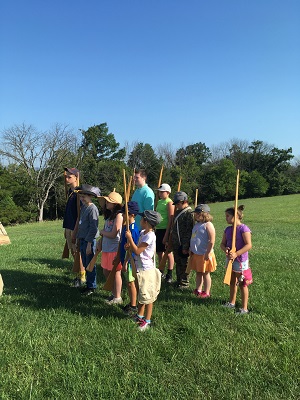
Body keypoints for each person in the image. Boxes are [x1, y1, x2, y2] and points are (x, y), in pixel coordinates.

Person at [125, 210, 162, 331]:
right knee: (141, 294)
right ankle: (140, 316)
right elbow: (135, 248)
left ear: (146, 222)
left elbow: (138, 251)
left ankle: (147, 320)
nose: (140, 221)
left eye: (142, 219)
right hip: (139, 268)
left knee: (148, 297)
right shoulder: (142, 233)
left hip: (146, 270)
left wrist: (130, 239)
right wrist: (129, 246)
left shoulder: (150, 235)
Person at [220, 205, 253, 314]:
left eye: (228, 216)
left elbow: (248, 245)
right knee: (232, 281)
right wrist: (226, 250)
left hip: (240, 260)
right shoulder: (228, 229)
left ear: (236, 216)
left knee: (242, 282)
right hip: (230, 259)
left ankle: (244, 308)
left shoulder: (243, 229)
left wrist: (237, 253)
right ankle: (232, 302)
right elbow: (222, 244)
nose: (226, 218)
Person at [97, 191, 123, 304]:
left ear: (115, 204)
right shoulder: (109, 216)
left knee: (116, 272)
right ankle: (113, 294)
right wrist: (101, 240)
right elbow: (107, 232)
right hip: (106, 247)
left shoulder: (119, 216)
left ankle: (118, 297)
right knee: (106, 271)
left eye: (109, 201)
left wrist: (102, 232)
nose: (106, 203)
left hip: (114, 248)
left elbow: (113, 234)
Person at [62, 167, 86, 287]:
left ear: (76, 178)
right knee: (73, 252)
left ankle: (82, 277)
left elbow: (80, 215)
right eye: (66, 176)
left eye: (69, 177)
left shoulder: (79, 194)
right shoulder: (70, 192)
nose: (66, 178)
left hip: (75, 228)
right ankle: (78, 275)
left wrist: (75, 231)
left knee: (78, 253)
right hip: (69, 226)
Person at [76, 184, 101, 296]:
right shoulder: (84, 207)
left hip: (89, 241)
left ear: (90, 197)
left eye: (84, 196)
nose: (82, 198)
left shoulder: (92, 208)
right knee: (85, 264)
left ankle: (92, 286)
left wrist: (89, 243)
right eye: (81, 196)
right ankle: (88, 285)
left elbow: (93, 227)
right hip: (82, 239)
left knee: (90, 264)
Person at [189, 204, 217, 298]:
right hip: (196, 253)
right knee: (198, 272)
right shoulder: (197, 224)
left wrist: (208, 253)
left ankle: (207, 291)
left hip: (205, 253)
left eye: (197, 213)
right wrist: (191, 249)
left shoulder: (208, 225)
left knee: (205, 273)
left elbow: (212, 240)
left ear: (204, 214)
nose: (195, 215)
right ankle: (198, 289)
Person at [118, 201, 140, 315]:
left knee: (131, 283)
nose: (122, 215)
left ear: (131, 214)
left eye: (124, 213)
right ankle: (132, 302)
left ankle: (133, 305)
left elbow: (133, 250)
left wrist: (126, 262)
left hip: (131, 261)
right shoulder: (126, 228)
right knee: (128, 282)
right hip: (125, 259)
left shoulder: (133, 230)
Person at [171, 191, 194, 289]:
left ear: (184, 201)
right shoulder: (177, 212)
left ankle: (184, 283)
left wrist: (185, 246)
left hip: (184, 243)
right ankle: (179, 280)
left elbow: (189, 231)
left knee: (184, 264)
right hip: (176, 242)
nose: (176, 205)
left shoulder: (189, 213)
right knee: (178, 262)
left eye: (178, 203)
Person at [155, 183, 175, 283]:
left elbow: (171, 218)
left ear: (168, 192)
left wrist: (167, 233)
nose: (160, 193)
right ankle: (161, 269)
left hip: (165, 229)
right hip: (158, 229)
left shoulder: (169, 202)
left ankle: (170, 273)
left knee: (168, 252)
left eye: (162, 192)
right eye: (159, 192)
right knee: (159, 251)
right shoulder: (159, 202)